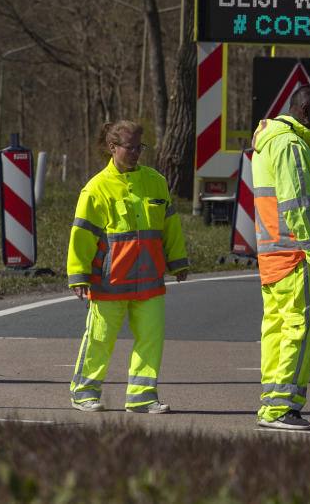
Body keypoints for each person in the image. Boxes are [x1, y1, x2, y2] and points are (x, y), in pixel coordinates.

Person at [68, 120, 189, 414]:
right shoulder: (96, 188)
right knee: (99, 339)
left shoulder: (155, 181)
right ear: (113, 147)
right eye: (130, 147)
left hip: (148, 279)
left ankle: (142, 396)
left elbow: (170, 226)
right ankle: (83, 392)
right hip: (109, 279)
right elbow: (82, 235)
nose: (136, 153)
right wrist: (79, 275)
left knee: (150, 338)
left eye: (140, 147)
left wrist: (178, 261)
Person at [251, 85, 310, 431]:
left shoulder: (270, 141)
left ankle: (272, 404)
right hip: (295, 254)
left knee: (276, 329)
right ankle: (283, 407)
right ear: (304, 112)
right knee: (297, 331)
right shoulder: (290, 145)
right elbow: (296, 202)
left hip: (273, 253)